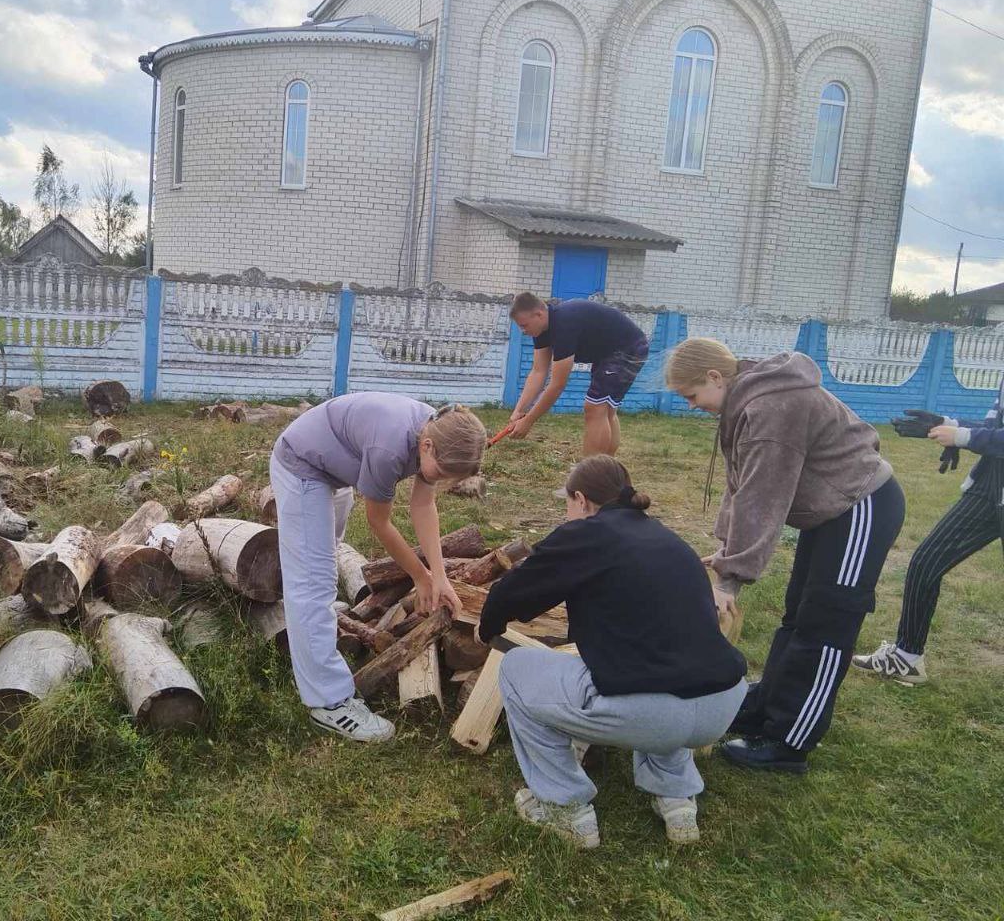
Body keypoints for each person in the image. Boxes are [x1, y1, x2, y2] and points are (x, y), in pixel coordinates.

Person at [477, 456, 747, 848]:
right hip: (720, 703)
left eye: (568, 504)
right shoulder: (669, 539)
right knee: (664, 662)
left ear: (581, 500)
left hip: (650, 713)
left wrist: (487, 630)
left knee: (516, 668)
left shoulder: (584, 534)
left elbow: (512, 593)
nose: (567, 513)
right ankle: (677, 800)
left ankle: (565, 808)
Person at [666, 338, 906, 774]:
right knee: (798, 614)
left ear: (716, 377)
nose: (690, 404)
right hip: (831, 511)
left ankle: (789, 742)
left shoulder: (770, 411)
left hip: (860, 506)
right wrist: (725, 552)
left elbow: (763, 500)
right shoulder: (749, 401)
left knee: (827, 623)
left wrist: (729, 579)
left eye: (691, 395)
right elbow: (740, 485)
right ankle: (767, 705)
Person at [270, 394, 486, 742]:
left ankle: (313, 629)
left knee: (321, 559)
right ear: (427, 446)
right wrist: (420, 575)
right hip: (303, 465)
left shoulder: (437, 428)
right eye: (443, 473)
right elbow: (380, 523)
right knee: (313, 583)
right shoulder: (390, 449)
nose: (443, 481)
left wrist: (440, 577)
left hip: (331, 470)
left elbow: (424, 504)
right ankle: (329, 702)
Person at [853, 375, 1004, 685]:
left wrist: (962, 436)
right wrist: (943, 424)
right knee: (926, 562)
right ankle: (907, 657)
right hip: (989, 488)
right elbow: (993, 428)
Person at [506, 292, 649, 456]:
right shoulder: (542, 330)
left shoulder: (563, 324)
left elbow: (557, 385)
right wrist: (519, 410)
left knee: (595, 407)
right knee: (605, 409)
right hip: (608, 353)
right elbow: (538, 372)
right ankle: (604, 469)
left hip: (628, 348)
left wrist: (529, 421)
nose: (523, 331)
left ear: (538, 314)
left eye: (524, 325)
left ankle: (592, 472)